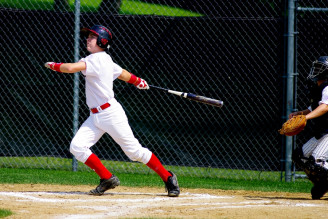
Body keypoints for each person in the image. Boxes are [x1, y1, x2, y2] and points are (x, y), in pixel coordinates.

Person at [44, 25, 180, 197]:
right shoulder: (104, 59)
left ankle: (168, 177)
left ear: (103, 41)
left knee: (134, 152)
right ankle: (107, 178)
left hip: (111, 114)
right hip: (95, 116)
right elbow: (122, 73)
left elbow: (70, 68)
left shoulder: (96, 60)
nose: (88, 39)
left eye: (92, 37)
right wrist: (138, 81)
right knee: (77, 147)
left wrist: (53, 65)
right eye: (88, 36)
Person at [290, 56, 328, 200]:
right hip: (322, 133)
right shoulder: (318, 88)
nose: (315, 70)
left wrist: (306, 118)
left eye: (320, 68)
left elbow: (324, 107)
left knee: (316, 161)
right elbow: (313, 108)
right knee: (300, 156)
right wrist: (299, 114)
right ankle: (322, 184)